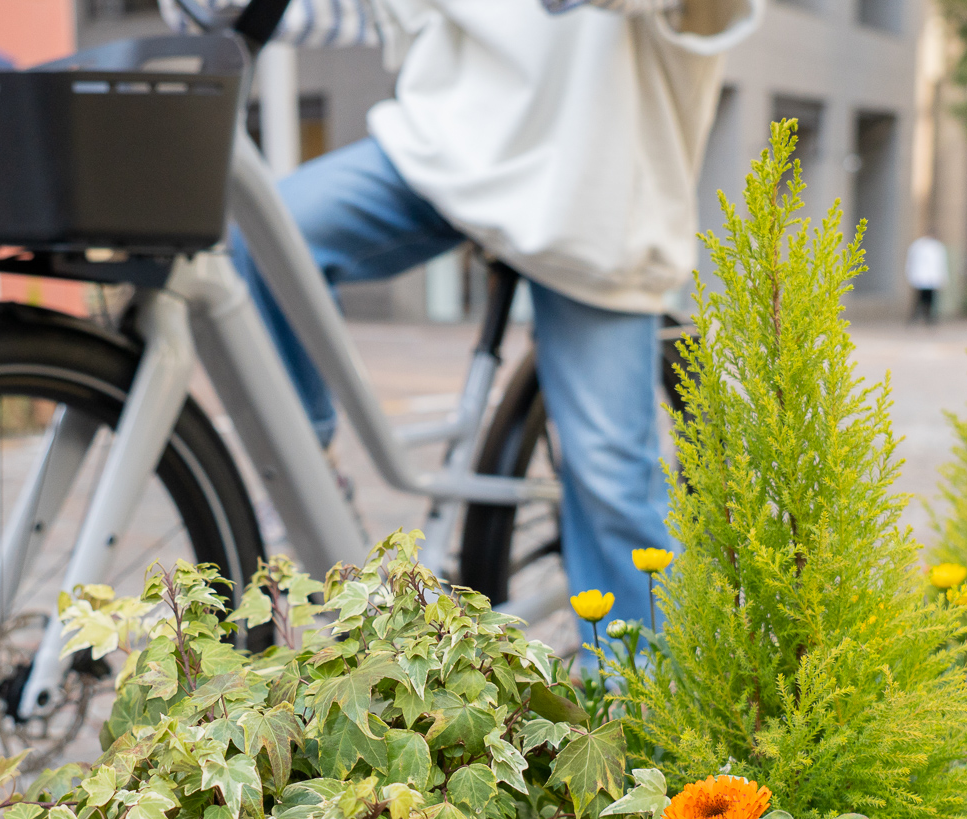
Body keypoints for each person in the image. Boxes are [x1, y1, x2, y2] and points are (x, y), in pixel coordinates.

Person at [162, 0, 762, 630]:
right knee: (262, 237)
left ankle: (637, 710)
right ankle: (311, 483)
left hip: (591, 199)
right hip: (445, 150)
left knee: (610, 478)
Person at [905, 233, 947, 324]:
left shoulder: (937, 247)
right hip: (920, 278)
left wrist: (942, 279)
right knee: (918, 300)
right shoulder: (918, 245)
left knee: (930, 300)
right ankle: (914, 318)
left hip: (931, 279)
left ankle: (929, 319)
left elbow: (941, 264)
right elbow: (911, 261)